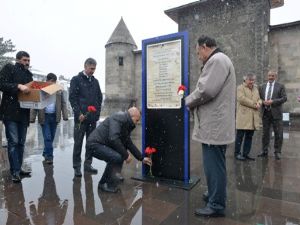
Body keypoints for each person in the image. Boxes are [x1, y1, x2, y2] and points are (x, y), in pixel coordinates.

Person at [185, 36, 236, 217]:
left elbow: (206, 90)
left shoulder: (216, 60)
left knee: (214, 165)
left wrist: (187, 101)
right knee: (214, 164)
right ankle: (215, 194)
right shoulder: (221, 59)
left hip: (215, 126)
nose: (199, 56)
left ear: (205, 47)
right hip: (216, 124)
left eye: (198, 52)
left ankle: (216, 204)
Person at [86, 107, 152, 193]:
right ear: (132, 117)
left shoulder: (125, 122)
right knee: (117, 157)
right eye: (137, 120)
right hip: (94, 144)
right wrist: (126, 155)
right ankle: (103, 183)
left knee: (120, 154)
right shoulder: (118, 118)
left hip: (103, 144)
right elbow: (113, 138)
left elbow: (128, 143)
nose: (137, 123)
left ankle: (114, 177)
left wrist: (141, 158)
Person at [0, 51, 33, 182]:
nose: (27, 63)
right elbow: (1, 84)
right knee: (13, 142)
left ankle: (19, 169)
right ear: (18, 59)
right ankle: (14, 172)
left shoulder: (29, 74)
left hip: (24, 113)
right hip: (10, 112)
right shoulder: (9, 68)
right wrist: (18, 86)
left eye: (29, 60)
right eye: (25, 60)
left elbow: (31, 93)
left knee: (21, 143)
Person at [69, 58, 103, 177]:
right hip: (81, 119)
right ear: (85, 66)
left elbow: (99, 98)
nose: (93, 71)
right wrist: (79, 114)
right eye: (91, 69)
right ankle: (76, 167)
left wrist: (97, 114)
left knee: (90, 143)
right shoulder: (76, 80)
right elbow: (72, 98)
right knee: (78, 142)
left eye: (94, 69)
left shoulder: (95, 82)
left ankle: (88, 165)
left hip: (92, 119)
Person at [30, 73, 68, 164]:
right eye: (50, 82)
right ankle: (49, 157)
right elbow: (35, 103)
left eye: (53, 82)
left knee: (51, 138)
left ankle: (45, 152)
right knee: (47, 138)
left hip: (55, 117)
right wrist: (32, 117)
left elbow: (63, 103)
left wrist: (65, 115)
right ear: (47, 81)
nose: (52, 84)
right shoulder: (41, 90)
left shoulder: (59, 90)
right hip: (44, 117)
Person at [258, 70, 287, 160]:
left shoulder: (280, 86)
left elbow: (284, 98)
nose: (270, 77)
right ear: (267, 76)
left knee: (278, 133)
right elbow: (258, 98)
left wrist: (273, 101)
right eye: (269, 76)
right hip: (265, 113)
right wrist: (263, 102)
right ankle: (264, 151)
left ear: (275, 77)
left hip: (276, 113)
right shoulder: (262, 86)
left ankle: (277, 152)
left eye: (272, 76)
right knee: (265, 134)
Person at [235, 73, 262, 161]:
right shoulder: (240, 88)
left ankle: (245, 154)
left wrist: (259, 103)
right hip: (243, 117)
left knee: (249, 137)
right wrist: (255, 104)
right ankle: (237, 154)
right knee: (240, 136)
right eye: (250, 80)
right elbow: (242, 99)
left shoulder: (255, 88)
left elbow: (259, 99)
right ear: (245, 80)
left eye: (253, 80)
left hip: (253, 117)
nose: (252, 82)